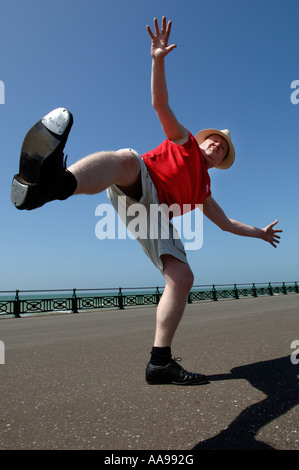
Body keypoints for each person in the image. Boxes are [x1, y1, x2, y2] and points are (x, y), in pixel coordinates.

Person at [10, 17, 282, 386]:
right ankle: (54, 185)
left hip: (154, 216)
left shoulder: (204, 190)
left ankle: (160, 363)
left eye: (222, 149)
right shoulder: (183, 142)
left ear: (220, 163)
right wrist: (157, 59)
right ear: (201, 142)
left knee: (183, 276)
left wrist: (262, 235)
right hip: (139, 180)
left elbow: (227, 224)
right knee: (126, 158)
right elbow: (160, 103)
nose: (216, 146)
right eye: (213, 141)